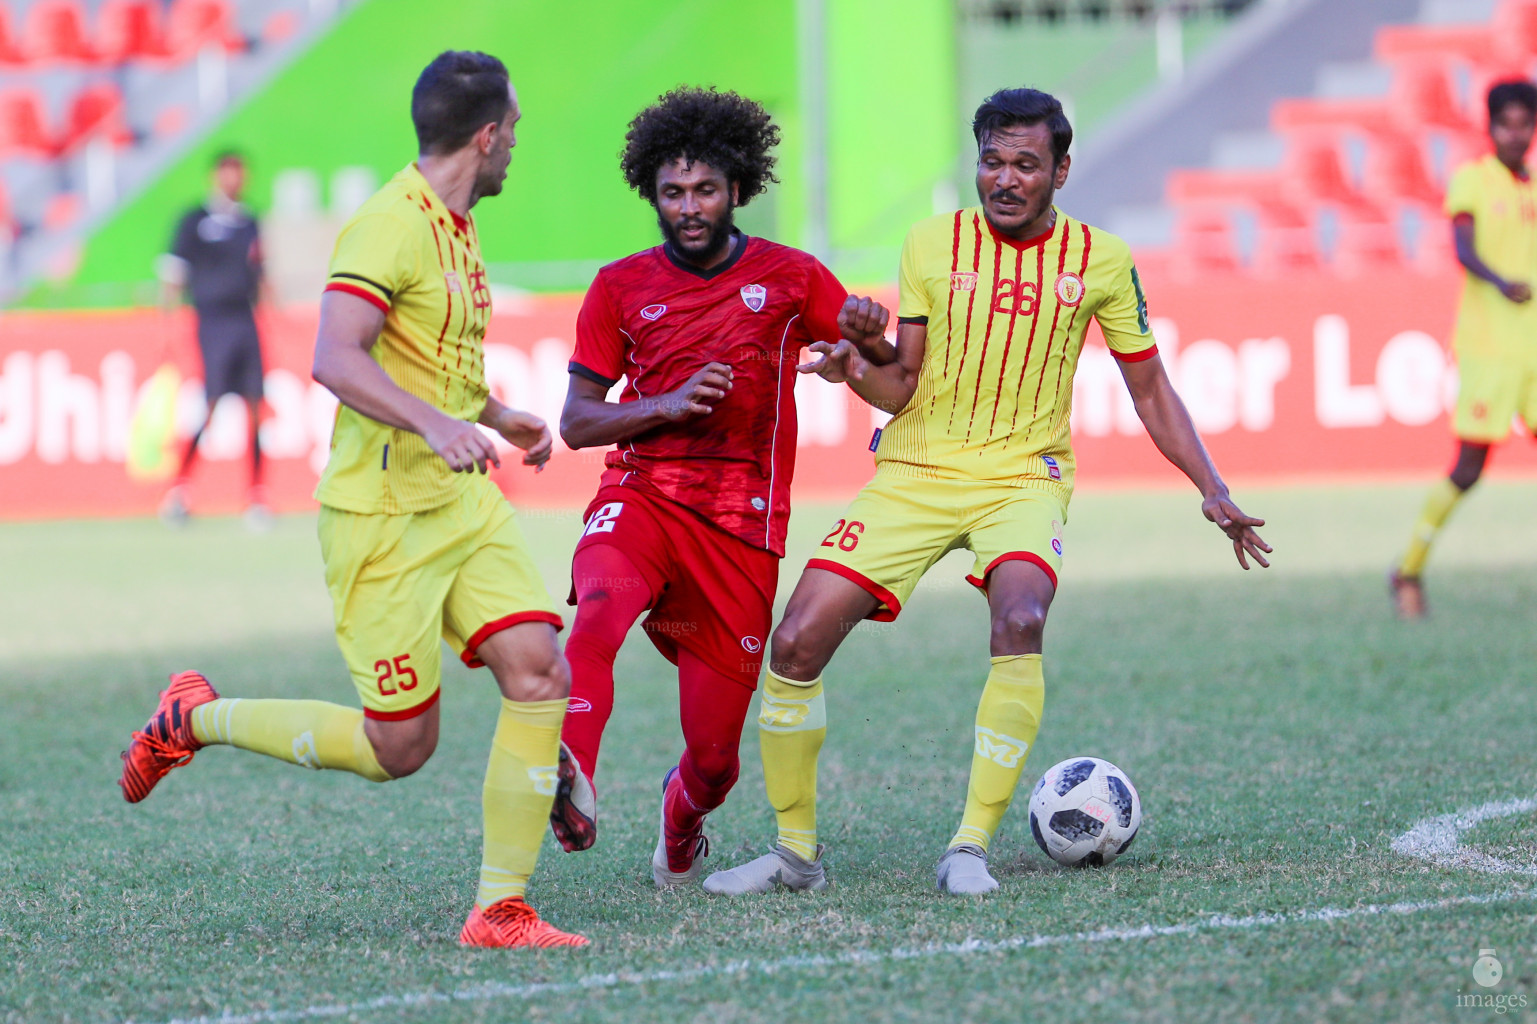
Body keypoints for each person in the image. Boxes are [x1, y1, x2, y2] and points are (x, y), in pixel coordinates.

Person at [706, 87, 1272, 897]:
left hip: (1022, 479)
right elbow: (899, 388)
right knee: (794, 642)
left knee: (1020, 616)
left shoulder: (1103, 262)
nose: (1004, 179)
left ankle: (968, 847)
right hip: (913, 473)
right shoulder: (931, 244)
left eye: (1025, 165)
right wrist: (852, 368)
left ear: (1061, 170)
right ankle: (795, 856)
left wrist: (1210, 488)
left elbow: (1150, 391)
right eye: (991, 161)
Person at [118, 51, 587, 949]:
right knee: (398, 750)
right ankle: (195, 717)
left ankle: (500, 908)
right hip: (379, 519)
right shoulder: (388, 226)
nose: (516, 149)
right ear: (485, 136)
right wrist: (438, 429)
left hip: (460, 500)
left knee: (539, 671)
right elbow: (334, 357)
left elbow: (430, 359)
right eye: (514, 133)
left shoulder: (457, 224)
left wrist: (497, 416)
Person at [545, 87, 890, 888]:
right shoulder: (618, 288)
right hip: (641, 498)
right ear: (651, 194)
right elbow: (576, 421)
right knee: (596, 612)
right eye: (672, 192)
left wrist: (864, 346)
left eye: (704, 190)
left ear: (737, 186)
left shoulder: (794, 278)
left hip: (739, 532)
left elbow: (884, 379)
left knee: (712, 762)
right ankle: (566, 772)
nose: (689, 207)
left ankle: (681, 822)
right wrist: (661, 405)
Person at [1390, 80, 1537, 619]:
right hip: (1489, 351)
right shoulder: (1473, 181)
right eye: (1507, 124)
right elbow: (1461, 247)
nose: (1516, 134)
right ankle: (1407, 568)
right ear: (1490, 126)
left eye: (1525, 124)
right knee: (1469, 469)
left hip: (1534, 352)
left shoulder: (1533, 189)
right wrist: (1500, 281)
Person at [157, 150, 273, 530]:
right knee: (211, 404)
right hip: (212, 322)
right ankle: (180, 491)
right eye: (227, 172)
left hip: (245, 321)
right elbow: (173, 273)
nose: (233, 179)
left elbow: (261, 273)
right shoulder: (195, 220)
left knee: (256, 407)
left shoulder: (249, 222)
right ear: (215, 176)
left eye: (239, 172)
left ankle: (256, 497)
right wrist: (167, 319)